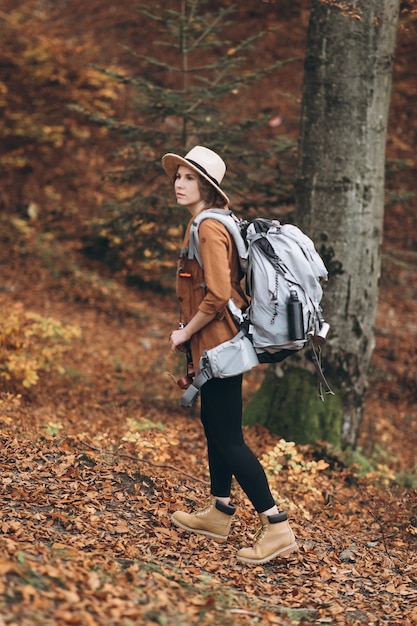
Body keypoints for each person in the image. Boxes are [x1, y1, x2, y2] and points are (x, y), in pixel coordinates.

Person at [162, 145, 298, 565]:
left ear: (206, 186)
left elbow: (219, 294)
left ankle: (276, 525)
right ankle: (219, 513)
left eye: (187, 177)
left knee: (227, 436)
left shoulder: (207, 227)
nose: (178, 184)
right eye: (177, 177)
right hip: (217, 344)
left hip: (219, 344)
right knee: (215, 425)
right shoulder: (217, 223)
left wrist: (185, 331)